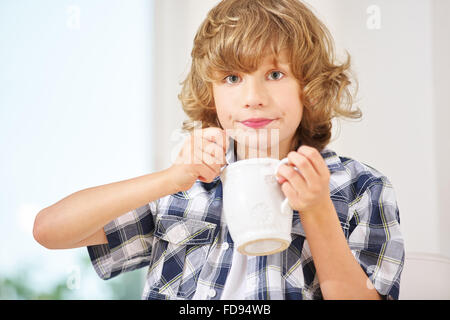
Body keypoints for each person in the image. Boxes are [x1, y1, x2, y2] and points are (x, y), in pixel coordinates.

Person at [33, 0, 404, 300]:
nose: (253, 99)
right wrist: (170, 178)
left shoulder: (360, 187)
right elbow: (50, 230)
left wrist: (317, 209)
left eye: (275, 75)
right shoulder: (185, 188)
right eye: (232, 78)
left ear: (309, 86)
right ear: (210, 94)